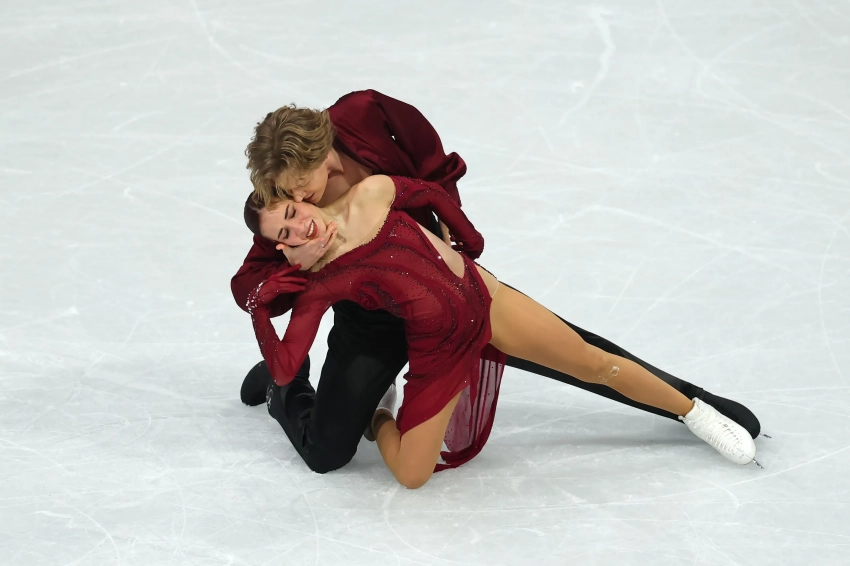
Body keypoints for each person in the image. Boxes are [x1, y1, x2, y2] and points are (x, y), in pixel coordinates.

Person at [232, 90, 760, 475]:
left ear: (321, 151)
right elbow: (249, 284)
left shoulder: (366, 112)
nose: (296, 201)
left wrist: (451, 238)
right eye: (286, 194)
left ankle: (694, 404)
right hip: (371, 320)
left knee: (578, 351)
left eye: (300, 187)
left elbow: (434, 167)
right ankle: (287, 393)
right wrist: (300, 269)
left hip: (445, 289)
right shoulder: (286, 210)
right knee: (326, 454)